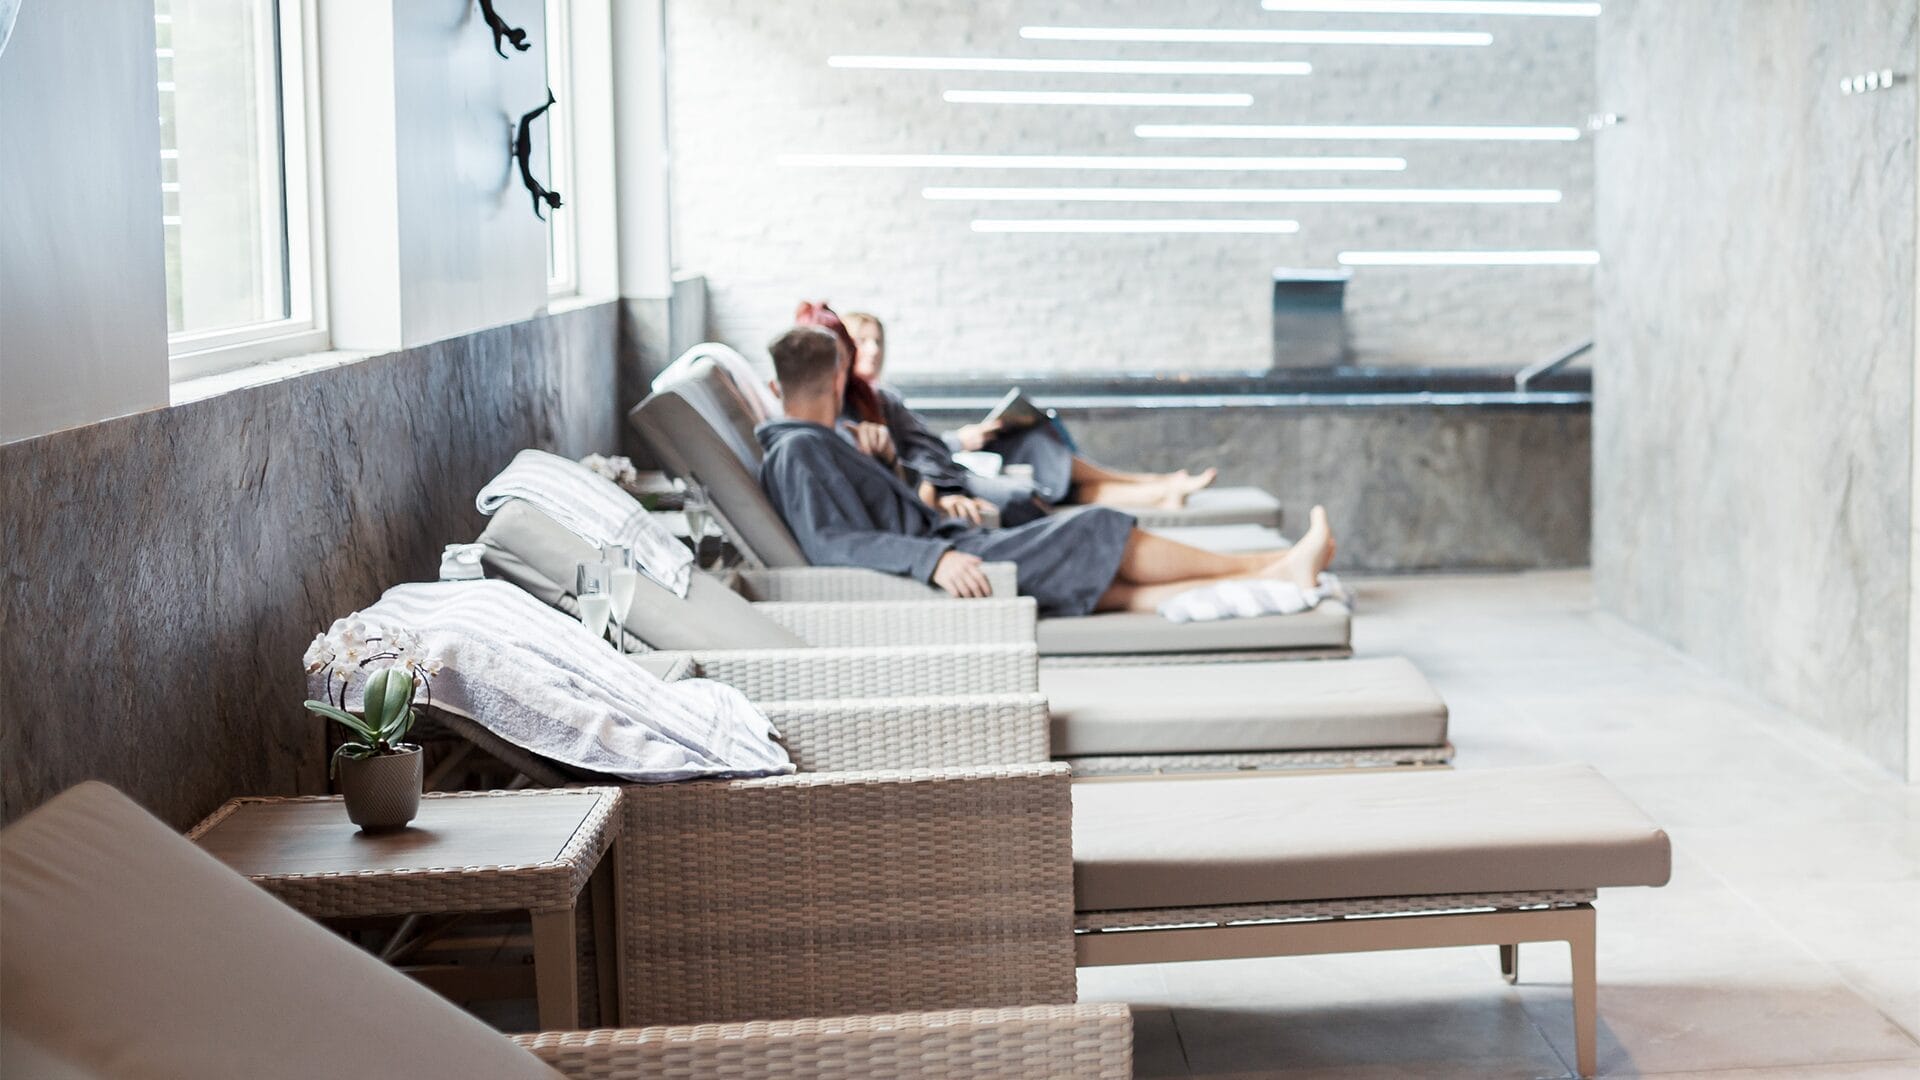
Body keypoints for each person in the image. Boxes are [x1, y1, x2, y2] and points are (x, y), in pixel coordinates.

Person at [755, 325, 1336, 615]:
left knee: (1111, 584)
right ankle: (1271, 566)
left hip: (951, 548)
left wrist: (882, 464)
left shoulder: (815, 443)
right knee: (1093, 527)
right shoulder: (798, 452)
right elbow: (833, 544)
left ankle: (1279, 575)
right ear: (839, 379)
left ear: (777, 386)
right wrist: (932, 558)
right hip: (949, 565)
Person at [840, 309, 1218, 513]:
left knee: (1035, 441)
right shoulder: (857, 406)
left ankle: (1160, 488)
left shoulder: (883, 395)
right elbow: (911, 455)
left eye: (878, 341)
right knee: (1040, 461)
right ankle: (1156, 485)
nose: (873, 350)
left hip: (952, 459)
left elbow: (918, 446)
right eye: (862, 341)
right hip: (950, 467)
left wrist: (964, 437)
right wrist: (959, 442)